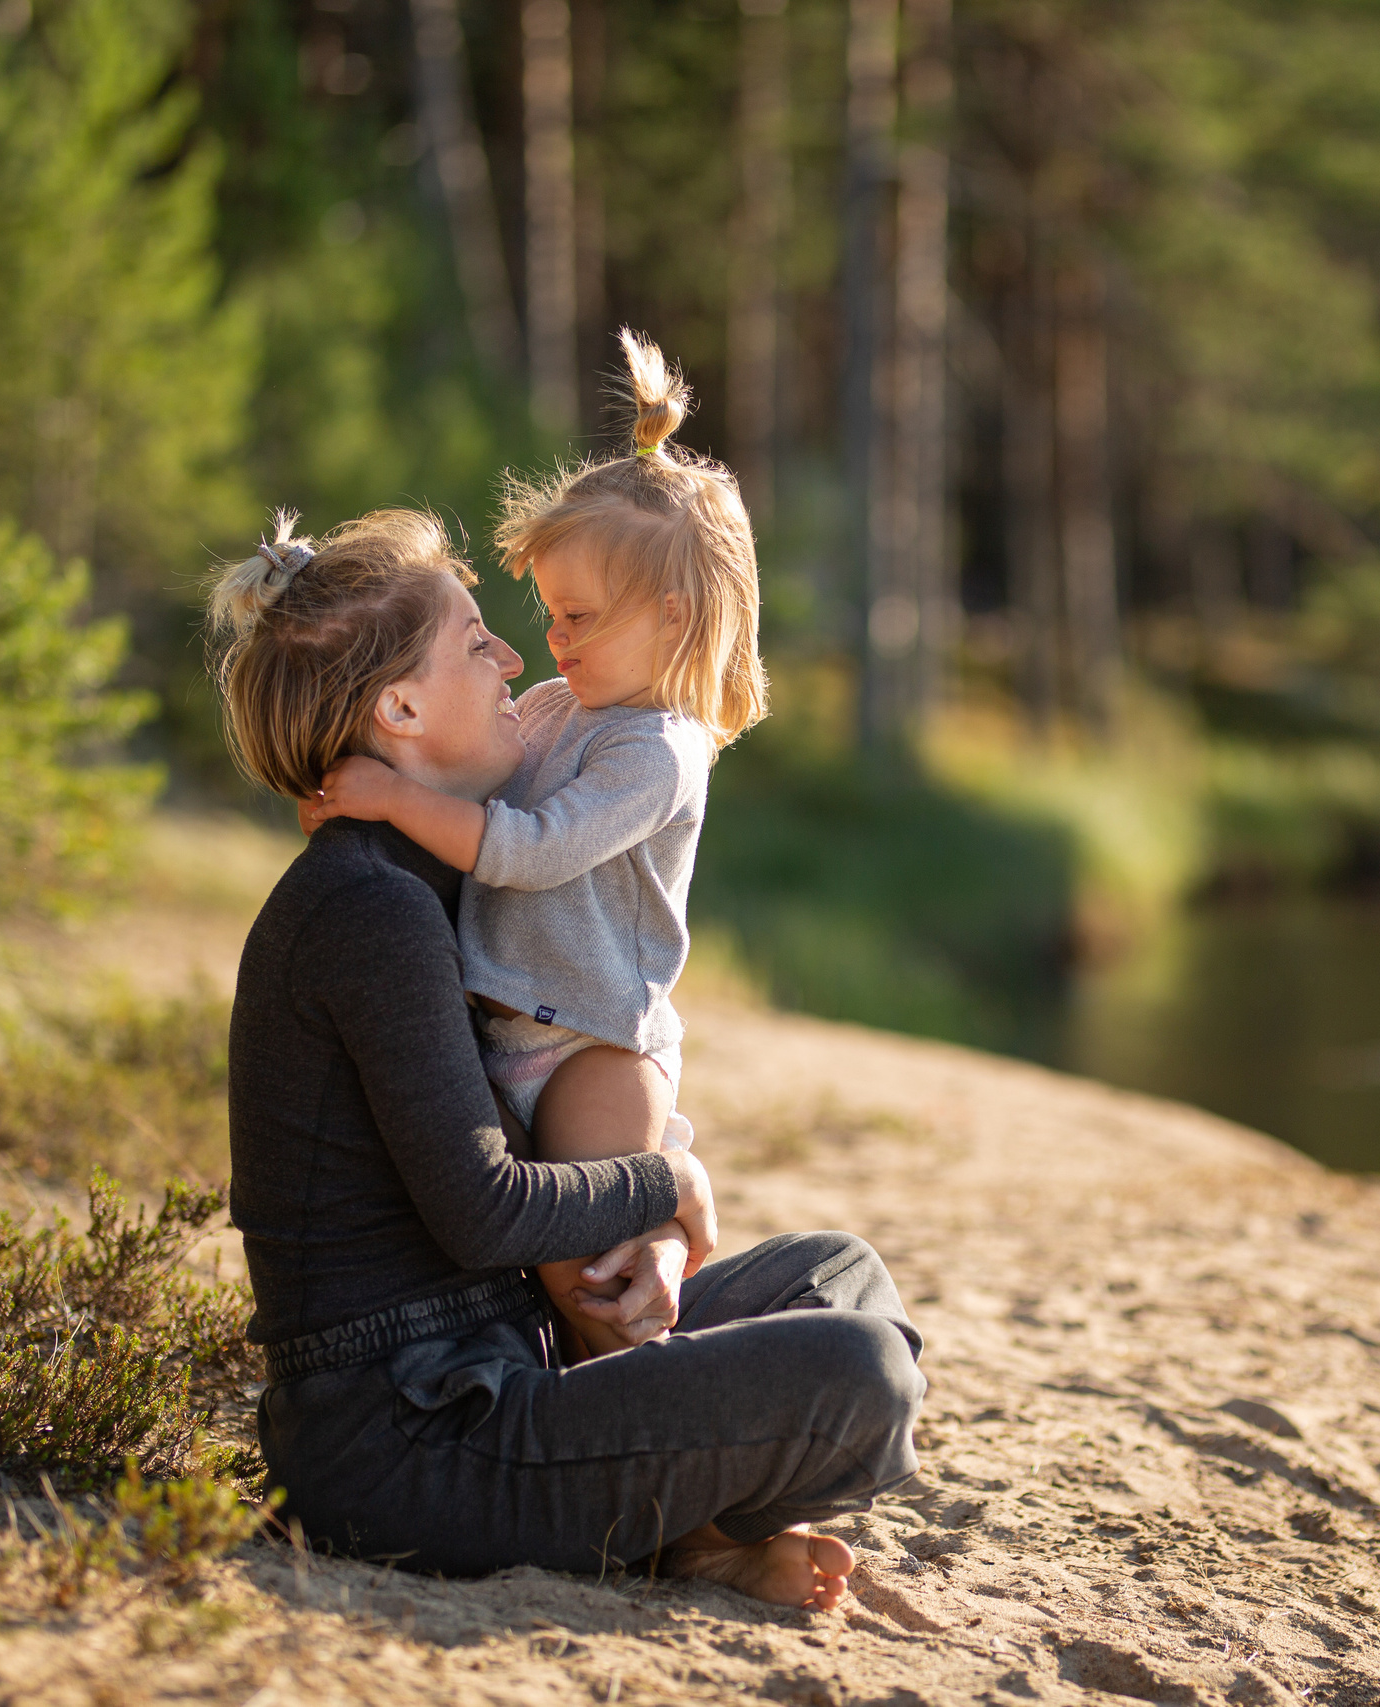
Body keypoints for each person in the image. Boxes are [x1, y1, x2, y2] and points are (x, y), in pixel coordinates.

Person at [208, 505, 922, 1607]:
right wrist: (670, 1185)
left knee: (837, 1276)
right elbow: (486, 1214)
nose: (511, 657)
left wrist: (655, 1253)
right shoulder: (365, 909)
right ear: (399, 708)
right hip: (408, 1438)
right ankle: (682, 1531)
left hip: (511, 1354)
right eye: (472, 641)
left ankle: (677, 1529)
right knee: (859, 1376)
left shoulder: (436, 881)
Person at [303, 329, 761, 1362]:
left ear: (674, 617)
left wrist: (388, 797)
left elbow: (529, 848)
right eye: (549, 611)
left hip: (592, 1048)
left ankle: (655, 1473)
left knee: (591, 1288)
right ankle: (648, 1466)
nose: (553, 641)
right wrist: (378, 777)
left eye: (580, 617)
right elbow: (475, 780)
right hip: (511, 1032)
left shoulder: (660, 752)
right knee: (566, 1284)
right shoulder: (561, 706)